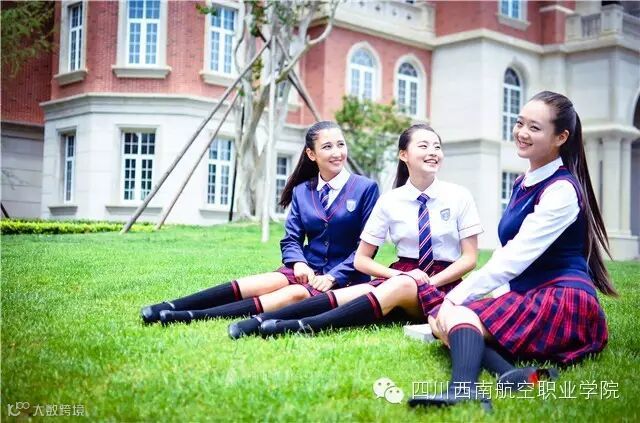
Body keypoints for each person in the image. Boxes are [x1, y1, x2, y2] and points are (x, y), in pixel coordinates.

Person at [408, 91, 616, 408]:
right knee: (442, 318)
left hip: (564, 301)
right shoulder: (524, 181)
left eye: (534, 127)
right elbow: (509, 259)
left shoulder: (561, 190)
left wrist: (456, 298)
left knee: (454, 314)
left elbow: (514, 257)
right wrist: (471, 301)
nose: (521, 132)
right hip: (531, 292)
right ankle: (511, 375)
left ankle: (462, 391)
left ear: (561, 137)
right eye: (520, 123)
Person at [229, 124, 482, 338]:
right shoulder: (390, 200)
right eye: (424, 146)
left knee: (399, 285)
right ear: (403, 154)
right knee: (354, 293)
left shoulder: (459, 196)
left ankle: (301, 326)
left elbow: (470, 258)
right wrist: (399, 275)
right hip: (401, 275)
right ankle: (259, 320)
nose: (433, 152)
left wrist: (427, 281)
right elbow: (362, 260)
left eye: (437, 146)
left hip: (444, 283)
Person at [140, 121, 379, 326]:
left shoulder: (366, 188)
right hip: (308, 268)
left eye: (340, 144)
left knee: (293, 294)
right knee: (264, 281)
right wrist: (299, 263)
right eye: (327, 146)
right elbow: (291, 239)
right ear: (311, 154)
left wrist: (333, 277)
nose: (337, 152)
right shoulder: (302, 191)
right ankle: (171, 305)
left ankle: (190, 316)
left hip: (345, 278)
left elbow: (366, 248)